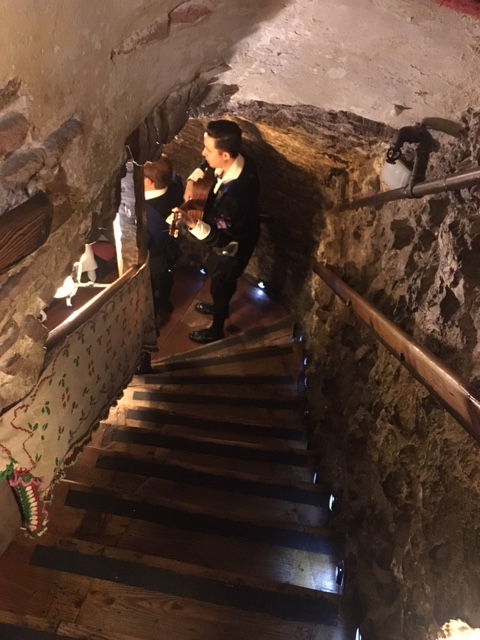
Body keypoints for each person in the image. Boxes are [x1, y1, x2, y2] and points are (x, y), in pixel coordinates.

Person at [171, 119, 260, 344]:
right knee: (221, 284)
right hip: (234, 229)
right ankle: (221, 305)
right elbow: (206, 165)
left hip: (233, 247)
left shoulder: (234, 197)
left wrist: (190, 223)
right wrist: (192, 180)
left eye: (208, 150)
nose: (203, 153)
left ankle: (217, 327)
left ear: (225, 156)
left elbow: (221, 240)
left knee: (221, 283)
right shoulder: (242, 159)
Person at [144, 155, 184, 316]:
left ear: (148, 182)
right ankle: (165, 302)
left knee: (151, 284)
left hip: (154, 255)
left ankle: (152, 312)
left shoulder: (145, 212)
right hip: (171, 246)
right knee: (167, 275)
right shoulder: (174, 186)